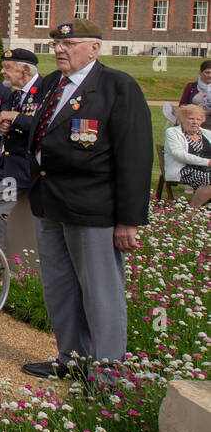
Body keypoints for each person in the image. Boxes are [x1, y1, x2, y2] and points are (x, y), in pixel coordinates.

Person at [19, 19, 152, 383]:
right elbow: (47, 132)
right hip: (50, 203)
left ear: (94, 48)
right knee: (59, 286)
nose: (60, 50)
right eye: (56, 44)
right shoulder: (51, 83)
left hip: (93, 209)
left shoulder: (116, 87)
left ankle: (106, 374)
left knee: (100, 292)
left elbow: (135, 159)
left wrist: (128, 220)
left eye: (70, 44)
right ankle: (71, 358)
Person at [0, 49, 43, 253]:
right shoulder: (15, 96)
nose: (2, 72)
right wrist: (6, 126)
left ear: (26, 70)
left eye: (8, 68)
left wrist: (15, 118)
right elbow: (15, 126)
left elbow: (44, 126)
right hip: (5, 165)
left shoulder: (44, 92)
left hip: (24, 170)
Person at [164, 103, 211, 208]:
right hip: (184, 168)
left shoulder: (206, 133)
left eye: (198, 119)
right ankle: (192, 210)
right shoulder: (172, 132)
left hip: (206, 168)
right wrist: (207, 162)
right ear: (182, 119)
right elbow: (179, 154)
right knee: (209, 179)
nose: (195, 122)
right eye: (191, 119)